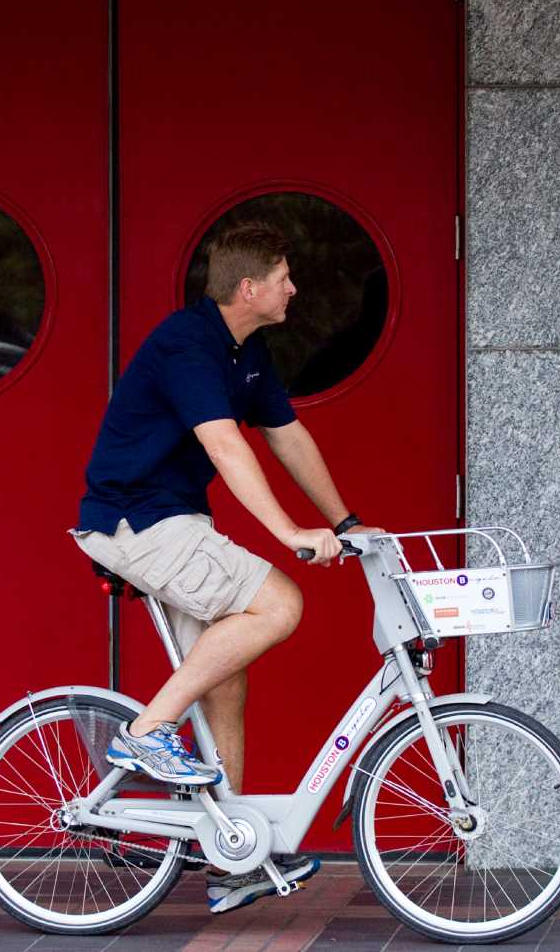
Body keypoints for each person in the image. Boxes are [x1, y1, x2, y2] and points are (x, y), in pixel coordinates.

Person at [70, 219, 376, 914]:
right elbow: (227, 448)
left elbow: (286, 436)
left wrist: (345, 522)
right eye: (283, 278)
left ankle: (230, 854)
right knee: (280, 604)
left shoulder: (248, 350)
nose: (293, 289)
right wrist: (291, 533)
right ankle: (145, 734)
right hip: (136, 520)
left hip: (172, 520)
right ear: (248, 287)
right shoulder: (189, 345)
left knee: (224, 681)